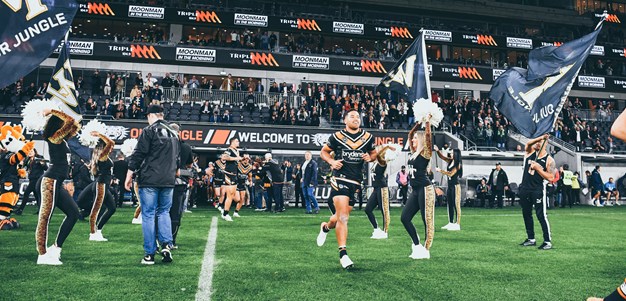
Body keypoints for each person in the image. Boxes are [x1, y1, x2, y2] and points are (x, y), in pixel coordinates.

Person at [316, 110, 377, 269]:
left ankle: (325, 227)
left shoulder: (368, 137)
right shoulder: (337, 136)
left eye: (358, 116)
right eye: (352, 116)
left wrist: (370, 158)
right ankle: (343, 254)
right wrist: (331, 161)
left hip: (356, 182)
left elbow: (374, 153)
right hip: (340, 178)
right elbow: (324, 151)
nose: (356, 118)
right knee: (343, 217)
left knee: (337, 218)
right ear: (345, 120)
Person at [125, 105, 180, 265]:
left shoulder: (149, 130)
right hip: (168, 180)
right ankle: (166, 245)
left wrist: (129, 174)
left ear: (150, 115)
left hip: (149, 178)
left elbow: (139, 154)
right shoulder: (174, 133)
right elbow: (177, 158)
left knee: (148, 215)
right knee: (164, 212)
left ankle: (149, 254)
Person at [35, 109, 80, 265]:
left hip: (57, 182)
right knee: (45, 218)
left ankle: (56, 248)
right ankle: (42, 254)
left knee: (74, 213)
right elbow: (70, 122)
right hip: (50, 181)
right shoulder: (54, 138)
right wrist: (52, 111)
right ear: (57, 124)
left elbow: (75, 125)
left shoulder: (63, 139)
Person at [401, 119, 436, 260]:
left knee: (426, 220)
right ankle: (416, 245)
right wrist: (418, 123)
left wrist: (427, 123)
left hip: (425, 189)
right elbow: (409, 134)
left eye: (416, 138)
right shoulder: (413, 153)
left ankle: (426, 250)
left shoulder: (425, 153)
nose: (413, 140)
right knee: (405, 218)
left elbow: (428, 137)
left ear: (421, 140)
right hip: (415, 190)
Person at [518, 134, 555, 250]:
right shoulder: (530, 152)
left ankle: (547, 241)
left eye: (540, 142)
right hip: (525, 189)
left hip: (537, 190)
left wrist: (538, 168)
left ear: (546, 143)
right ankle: (531, 239)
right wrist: (540, 138)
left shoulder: (549, 160)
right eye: (537, 141)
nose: (537, 143)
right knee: (526, 214)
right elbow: (528, 144)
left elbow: (551, 177)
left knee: (541, 215)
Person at [86, 131, 115, 241]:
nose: (111, 148)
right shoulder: (102, 156)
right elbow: (111, 142)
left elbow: (111, 143)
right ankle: (92, 233)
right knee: (96, 210)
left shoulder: (104, 156)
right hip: (101, 185)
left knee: (112, 208)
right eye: (108, 147)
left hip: (104, 185)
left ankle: (98, 230)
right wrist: (99, 135)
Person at [169, 123, 193, 248]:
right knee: (176, 213)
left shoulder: (161, 145)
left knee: (161, 212)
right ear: (179, 132)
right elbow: (189, 165)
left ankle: (159, 241)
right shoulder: (186, 147)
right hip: (179, 183)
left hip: (163, 182)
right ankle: (171, 241)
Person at [365, 145, 397, 239]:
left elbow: (378, 155)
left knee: (384, 211)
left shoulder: (382, 162)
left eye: (377, 150)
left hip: (382, 188)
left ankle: (385, 232)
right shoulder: (375, 162)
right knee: (368, 209)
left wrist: (386, 147)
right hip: (376, 189)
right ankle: (376, 229)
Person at [435, 147, 463, 231]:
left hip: (455, 186)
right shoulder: (450, 161)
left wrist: (440, 170)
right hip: (450, 186)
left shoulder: (458, 164)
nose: (450, 154)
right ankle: (450, 222)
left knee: (456, 205)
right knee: (449, 204)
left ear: (456, 154)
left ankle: (457, 224)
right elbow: (442, 157)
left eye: (452, 153)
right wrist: (437, 151)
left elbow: (451, 174)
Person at [15, 149, 47, 215]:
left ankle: (20, 210)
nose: (30, 153)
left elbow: (46, 168)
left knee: (26, 193)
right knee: (37, 195)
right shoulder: (27, 160)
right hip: (31, 179)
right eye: (29, 152)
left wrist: (43, 164)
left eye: (31, 151)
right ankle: (41, 210)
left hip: (37, 179)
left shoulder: (40, 158)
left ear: (35, 152)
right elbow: (24, 167)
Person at [220, 138, 242, 221]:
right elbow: (224, 157)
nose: (238, 142)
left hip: (234, 174)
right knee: (229, 196)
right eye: (237, 141)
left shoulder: (237, 151)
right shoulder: (229, 149)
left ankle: (224, 209)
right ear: (232, 142)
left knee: (237, 198)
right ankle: (225, 214)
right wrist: (236, 158)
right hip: (229, 174)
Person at [234, 153, 253, 217]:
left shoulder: (250, 166)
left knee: (242, 199)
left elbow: (249, 175)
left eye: (247, 158)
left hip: (243, 183)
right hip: (236, 183)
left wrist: (250, 181)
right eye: (245, 158)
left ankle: (236, 212)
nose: (246, 160)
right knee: (237, 199)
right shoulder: (238, 164)